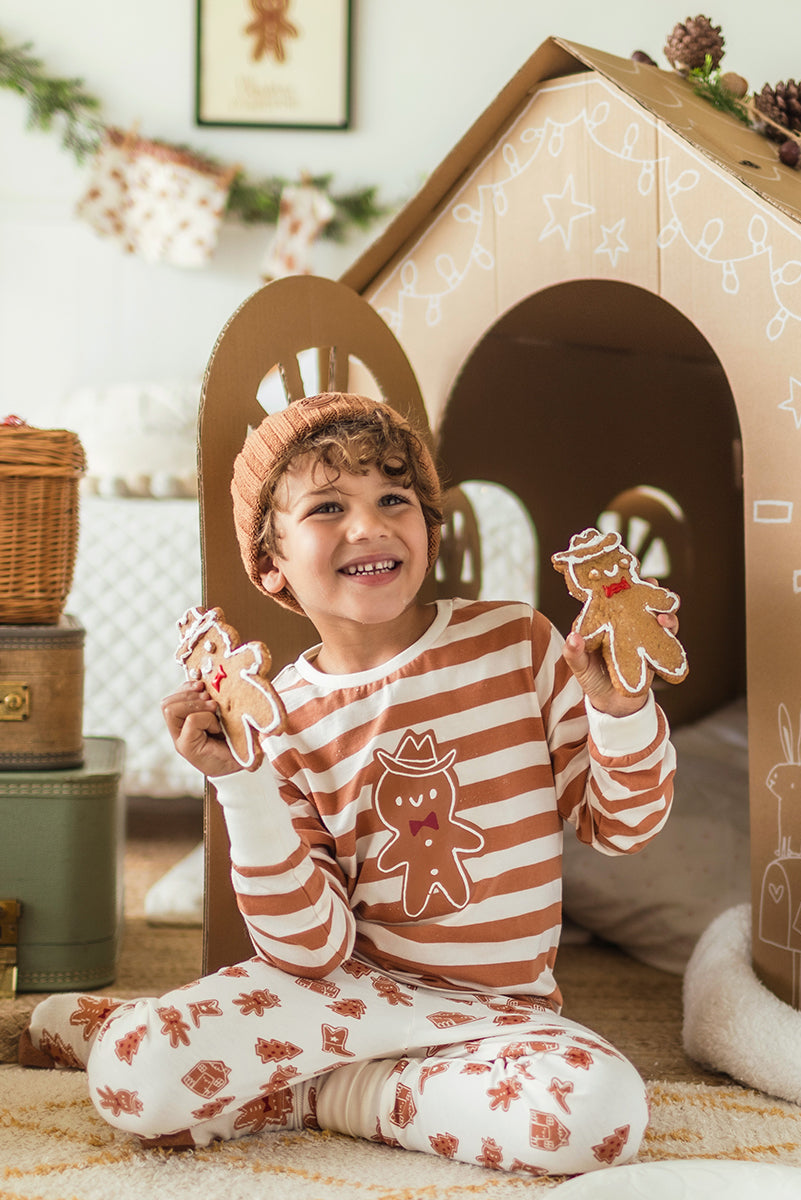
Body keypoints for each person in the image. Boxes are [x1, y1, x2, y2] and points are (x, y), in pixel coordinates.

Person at [20, 392, 678, 1175]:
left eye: (394, 499)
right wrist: (242, 782)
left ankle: (308, 1097)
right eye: (328, 507)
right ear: (271, 563)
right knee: (134, 1078)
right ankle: (141, 1035)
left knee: (599, 1115)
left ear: (428, 530)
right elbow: (310, 949)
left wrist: (620, 710)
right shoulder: (277, 719)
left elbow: (624, 826)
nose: (369, 526)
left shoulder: (518, 644)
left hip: (500, 1017)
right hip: (342, 996)